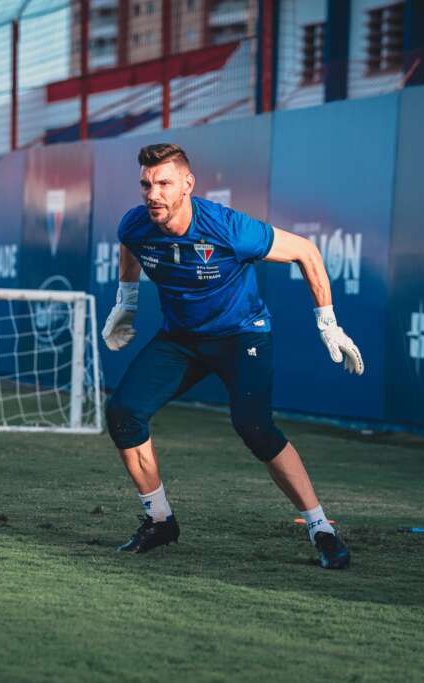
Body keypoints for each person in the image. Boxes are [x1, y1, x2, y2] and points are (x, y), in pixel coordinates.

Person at [102, 143, 364, 569]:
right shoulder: (136, 225)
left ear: (187, 185)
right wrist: (126, 301)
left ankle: (321, 527)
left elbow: (306, 252)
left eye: (164, 183)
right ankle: (160, 520)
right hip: (181, 339)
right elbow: (129, 245)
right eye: (146, 184)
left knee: (254, 427)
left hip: (241, 336)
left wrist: (328, 324)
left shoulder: (227, 229)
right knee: (123, 412)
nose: (153, 194)